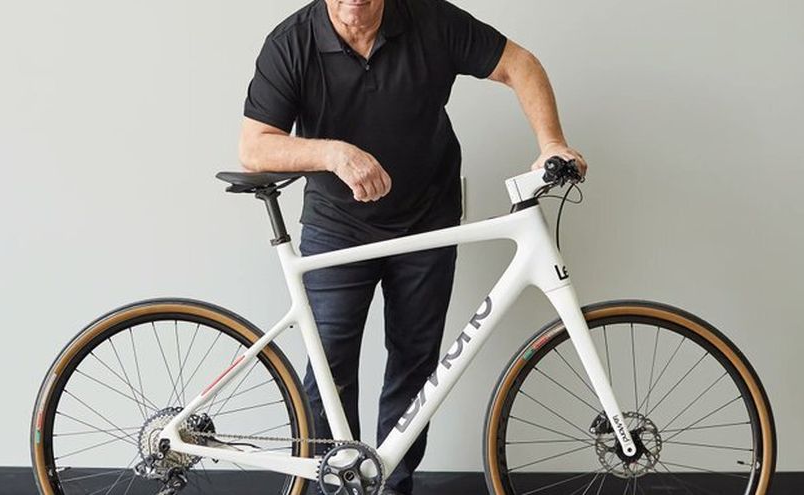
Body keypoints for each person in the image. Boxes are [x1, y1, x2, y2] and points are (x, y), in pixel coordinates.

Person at [239, 1, 588, 493]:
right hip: (336, 225)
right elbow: (254, 146)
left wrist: (551, 142)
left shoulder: (430, 20)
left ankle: (392, 486)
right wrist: (334, 152)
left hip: (427, 221)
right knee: (329, 367)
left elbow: (519, 64)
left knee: (415, 363)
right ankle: (336, 486)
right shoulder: (292, 42)